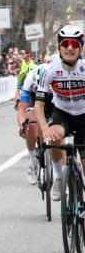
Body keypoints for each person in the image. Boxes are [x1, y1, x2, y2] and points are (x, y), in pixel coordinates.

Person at [35, 25, 85, 201]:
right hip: (62, 113)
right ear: (59, 47)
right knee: (54, 136)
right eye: (65, 44)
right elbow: (39, 106)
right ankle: (58, 177)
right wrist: (44, 128)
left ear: (81, 47)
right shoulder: (50, 70)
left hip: (83, 116)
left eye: (74, 44)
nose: (70, 48)